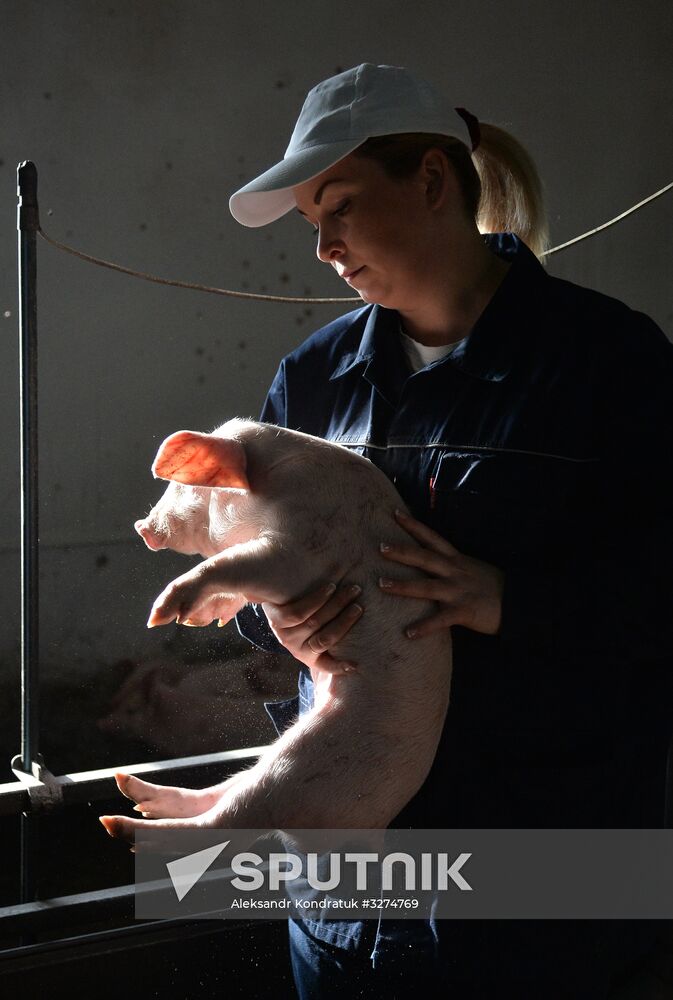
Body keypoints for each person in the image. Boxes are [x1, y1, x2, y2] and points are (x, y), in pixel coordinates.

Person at [225, 63, 673, 998]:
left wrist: (507, 601)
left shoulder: (608, 361)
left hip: (546, 881)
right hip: (349, 886)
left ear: (431, 180)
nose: (324, 249)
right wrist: (281, 621)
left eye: (339, 206)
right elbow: (252, 572)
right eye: (313, 222)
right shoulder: (312, 382)